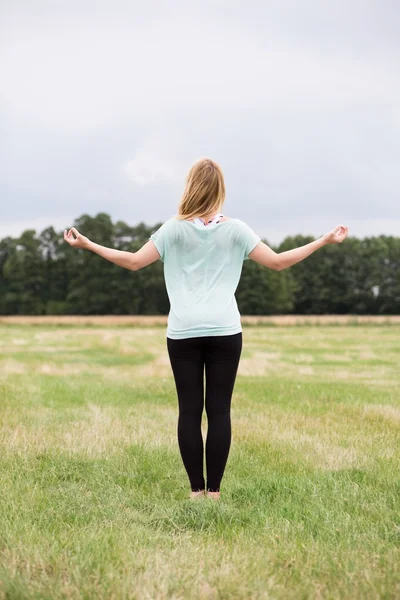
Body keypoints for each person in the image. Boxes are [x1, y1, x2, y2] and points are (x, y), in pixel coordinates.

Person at [64, 157, 348, 501]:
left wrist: (87, 244)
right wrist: (323, 241)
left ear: (190, 187)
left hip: (183, 332)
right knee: (219, 410)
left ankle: (196, 491)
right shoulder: (237, 230)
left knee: (188, 411)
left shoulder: (172, 228)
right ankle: (214, 492)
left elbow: (134, 262)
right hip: (225, 331)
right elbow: (277, 262)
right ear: (220, 191)